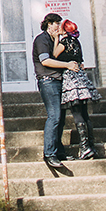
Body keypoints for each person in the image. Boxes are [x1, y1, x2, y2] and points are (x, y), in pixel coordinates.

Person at [31, 12, 81, 169]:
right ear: (49, 24)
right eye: (56, 24)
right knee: (54, 116)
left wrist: (58, 39)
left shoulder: (52, 40)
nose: (59, 27)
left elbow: (55, 54)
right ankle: (49, 154)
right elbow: (46, 60)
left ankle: (59, 152)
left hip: (58, 81)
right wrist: (67, 65)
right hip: (48, 81)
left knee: (60, 117)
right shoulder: (41, 39)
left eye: (59, 24)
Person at [58, 19, 101, 160]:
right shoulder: (76, 42)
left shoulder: (64, 42)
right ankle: (91, 146)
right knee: (84, 113)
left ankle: (85, 148)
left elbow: (54, 55)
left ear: (64, 30)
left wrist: (55, 40)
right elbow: (81, 62)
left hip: (71, 80)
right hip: (81, 79)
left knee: (76, 113)